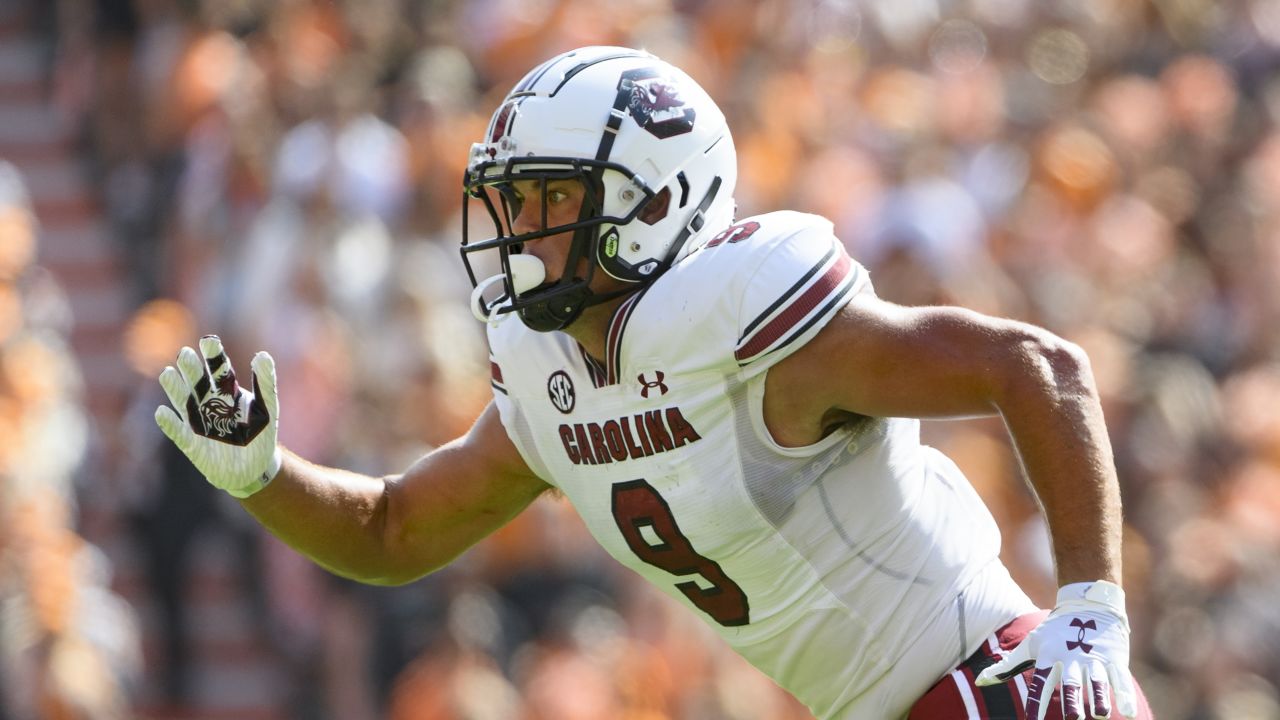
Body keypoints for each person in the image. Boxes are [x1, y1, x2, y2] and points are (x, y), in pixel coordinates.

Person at [155, 46, 1154, 720]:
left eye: (550, 197)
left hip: (995, 684)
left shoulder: (752, 319)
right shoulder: (552, 378)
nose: (517, 230)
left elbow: (1036, 366)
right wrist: (262, 474)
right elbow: (392, 531)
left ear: (656, 201)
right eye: (510, 199)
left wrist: (1090, 606)